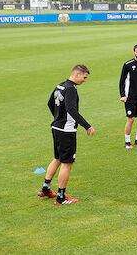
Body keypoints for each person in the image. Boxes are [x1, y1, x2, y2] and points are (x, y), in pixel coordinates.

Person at [38, 64, 95, 205]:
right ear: (76, 74)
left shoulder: (61, 85)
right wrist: (87, 126)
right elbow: (71, 110)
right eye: (84, 77)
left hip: (56, 127)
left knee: (57, 158)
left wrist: (58, 117)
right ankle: (61, 197)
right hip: (66, 131)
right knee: (67, 163)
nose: (85, 80)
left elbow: (50, 103)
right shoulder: (71, 89)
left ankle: (45, 189)